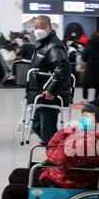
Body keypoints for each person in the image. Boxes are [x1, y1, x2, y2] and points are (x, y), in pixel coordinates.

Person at [29, 15, 72, 146]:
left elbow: (63, 68)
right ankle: (59, 149)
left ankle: (56, 155)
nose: (38, 30)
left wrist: (51, 90)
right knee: (36, 124)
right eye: (36, 27)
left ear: (50, 28)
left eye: (42, 27)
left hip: (49, 95)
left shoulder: (54, 45)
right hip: (39, 92)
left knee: (46, 129)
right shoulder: (42, 43)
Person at [82, 32, 99, 102]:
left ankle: (85, 99)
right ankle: (96, 99)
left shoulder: (89, 46)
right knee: (98, 86)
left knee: (85, 85)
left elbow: (83, 57)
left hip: (90, 69)